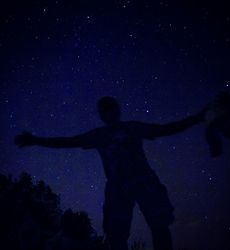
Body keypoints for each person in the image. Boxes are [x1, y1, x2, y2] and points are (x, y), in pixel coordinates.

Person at [15, 96, 206, 250]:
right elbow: (67, 141)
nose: (109, 112)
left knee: (159, 225)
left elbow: (166, 129)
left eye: (111, 107)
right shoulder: (99, 135)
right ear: (102, 114)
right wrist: (36, 140)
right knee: (116, 235)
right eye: (104, 109)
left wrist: (198, 117)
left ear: (116, 110)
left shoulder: (132, 127)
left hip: (143, 181)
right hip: (118, 187)